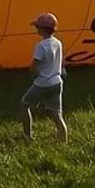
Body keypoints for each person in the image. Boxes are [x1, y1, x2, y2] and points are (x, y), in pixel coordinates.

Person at [22, 13, 68, 142]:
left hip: (43, 83)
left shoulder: (41, 46)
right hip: (57, 82)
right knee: (57, 115)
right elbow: (61, 62)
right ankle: (63, 142)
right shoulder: (58, 43)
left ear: (43, 29)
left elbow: (34, 66)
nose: (36, 29)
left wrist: (34, 76)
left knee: (24, 103)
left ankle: (27, 135)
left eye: (38, 27)